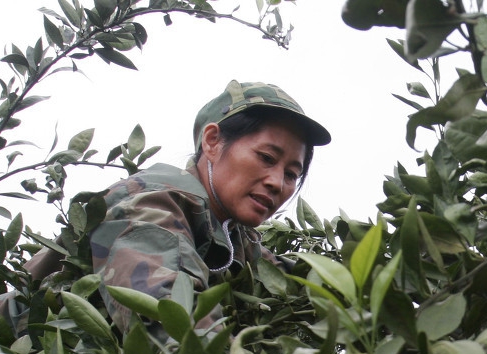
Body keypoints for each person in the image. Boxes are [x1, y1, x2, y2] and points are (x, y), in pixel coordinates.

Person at [19, 80, 330, 334]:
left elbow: (294, 282)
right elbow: (168, 317)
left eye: (292, 174)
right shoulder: (154, 203)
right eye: (266, 158)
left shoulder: (235, 238)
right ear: (212, 141)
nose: (278, 182)